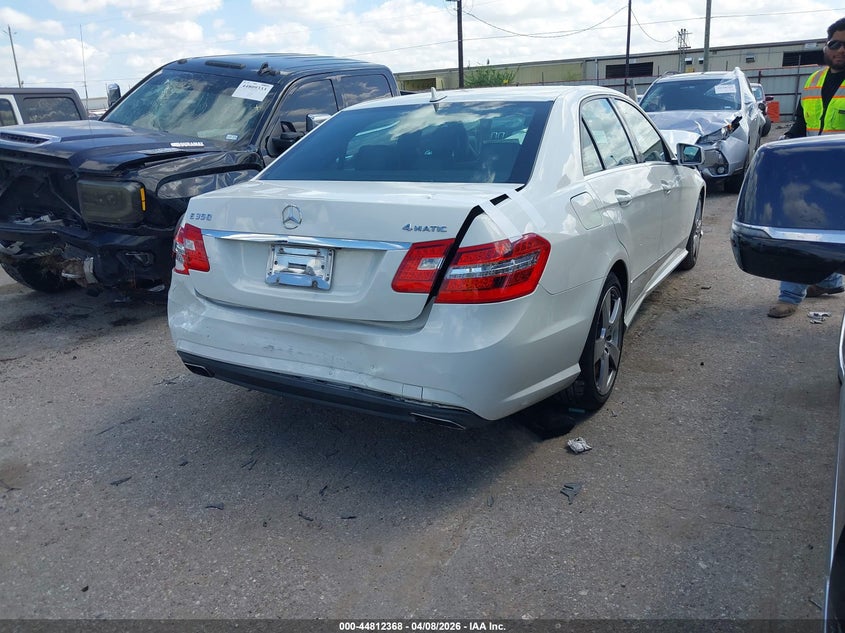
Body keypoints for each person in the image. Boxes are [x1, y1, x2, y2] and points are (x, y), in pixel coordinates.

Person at [767, 16, 845, 318]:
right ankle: (797, 291)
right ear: (826, 46)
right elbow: (802, 124)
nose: (840, 50)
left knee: (829, 234)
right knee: (801, 231)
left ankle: (827, 279)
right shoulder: (814, 81)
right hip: (814, 174)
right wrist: (784, 145)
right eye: (835, 43)